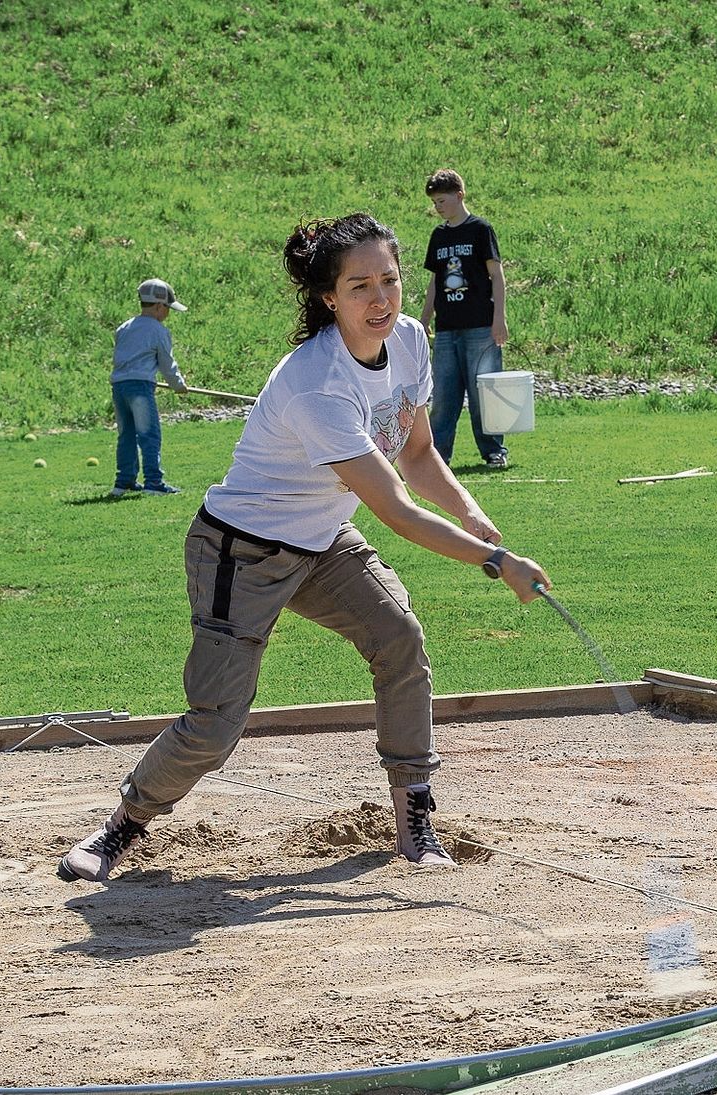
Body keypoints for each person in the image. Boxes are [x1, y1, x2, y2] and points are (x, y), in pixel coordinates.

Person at [59, 213, 552, 884]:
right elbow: (397, 511)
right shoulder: (317, 382)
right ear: (328, 297)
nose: (379, 300)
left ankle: (414, 816)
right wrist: (496, 562)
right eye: (359, 287)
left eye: (390, 280)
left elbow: (415, 449)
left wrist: (469, 507)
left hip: (323, 541)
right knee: (214, 724)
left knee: (399, 635)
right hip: (243, 550)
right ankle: (121, 826)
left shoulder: (408, 341)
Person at [417, 169, 511, 469]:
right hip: (447, 329)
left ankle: (494, 451)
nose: (438, 207)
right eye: (434, 202)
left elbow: (497, 277)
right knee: (444, 396)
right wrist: (424, 319)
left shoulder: (480, 230)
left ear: (460, 195)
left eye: (442, 200)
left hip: (481, 327)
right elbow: (435, 282)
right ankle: (437, 456)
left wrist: (499, 319)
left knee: (485, 393)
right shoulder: (439, 236)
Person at [108, 278, 191, 497]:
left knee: (126, 434)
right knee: (149, 434)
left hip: (118, 386)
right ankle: (154, 483)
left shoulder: (124, 327)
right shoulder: (158, 331)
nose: (168, 314)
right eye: (167, 309)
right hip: (140, 388)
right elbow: (167, 363)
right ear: (158, 306)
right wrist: (178, 385)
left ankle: (123, 481)